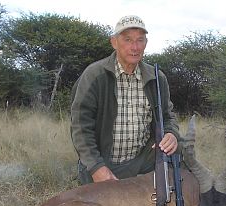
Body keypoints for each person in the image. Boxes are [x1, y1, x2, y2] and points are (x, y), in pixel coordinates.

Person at [71, 15, 180, 184]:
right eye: (127, 40)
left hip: (143, 161)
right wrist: (96, 167)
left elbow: (168, 115)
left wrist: (171, 133)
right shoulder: (94, 75)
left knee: (183, 152)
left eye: (140, 40)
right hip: (104, 162)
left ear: (146, 43)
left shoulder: (157, 77)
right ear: (114, 42)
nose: (134, 47)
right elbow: (80, 126)